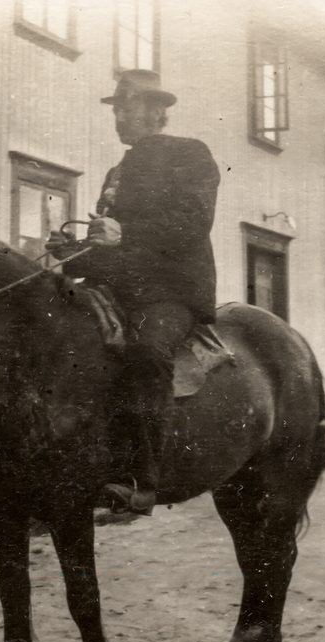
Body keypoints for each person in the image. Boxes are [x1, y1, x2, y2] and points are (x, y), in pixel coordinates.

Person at [47, 69, 220, 516]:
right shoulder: (118, 171)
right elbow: (112, 248)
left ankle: (143, 481)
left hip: (171, 293)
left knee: (147, 352)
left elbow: (191, 225)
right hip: (117, 288)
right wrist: (74, 252)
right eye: (117, 108)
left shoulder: (191, 155)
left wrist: (123, 232)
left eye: (128, 107)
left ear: (157, 111)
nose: (120, 116)